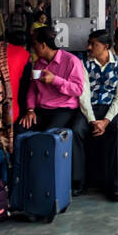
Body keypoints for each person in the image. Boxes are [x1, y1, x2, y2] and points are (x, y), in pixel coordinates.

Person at [20, 24, 96, 194]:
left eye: (35, 44)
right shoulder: (38, 63)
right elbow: (32, 89)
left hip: (64, 110)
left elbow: (78, 89)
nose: (33, 48)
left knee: (48, 135)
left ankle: (59, 180)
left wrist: (55, 80)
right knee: (21, 129)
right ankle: (24, 176)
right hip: (41, 110)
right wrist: (30, 110)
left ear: (43, 45)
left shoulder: (71, 61)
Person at [78, 29, 118, 202]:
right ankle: (79, 181)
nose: (89, 47)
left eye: (94, 44)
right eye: (89, 43)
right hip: (89, 110)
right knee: (77, 130)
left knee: (116, 131)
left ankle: (115, 184)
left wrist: (106, 121)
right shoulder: (84, 63)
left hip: (110, 110)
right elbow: (83, 94)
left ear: (106, 46)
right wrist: (93, 121)